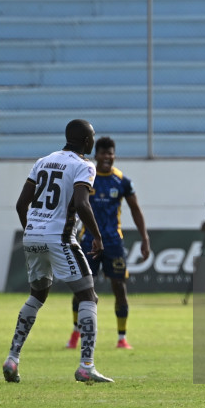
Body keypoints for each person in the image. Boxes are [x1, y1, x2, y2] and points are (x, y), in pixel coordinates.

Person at [4, 119, 113, 384]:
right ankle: (86, 366)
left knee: (37, 295)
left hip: (32, 236)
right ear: (87, 142)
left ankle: (12, 359)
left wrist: (33, 232)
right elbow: (81, 203)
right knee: (88, 295)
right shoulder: (84, 165)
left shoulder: (42, 161)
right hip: (60, 237)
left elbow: (21, 205)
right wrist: (97, 237)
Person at [65, 136, 151, 350]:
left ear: (114, 155)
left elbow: (135, 209)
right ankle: (76, 333)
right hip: (88, 242)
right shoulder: (87, 177)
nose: (107, 157)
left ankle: (122, 337)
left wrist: (145, 238)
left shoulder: (122, 181)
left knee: (119, 288)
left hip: (113, 243)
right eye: (103, 153)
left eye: (110, 153)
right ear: (96, 155)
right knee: (82, 289)